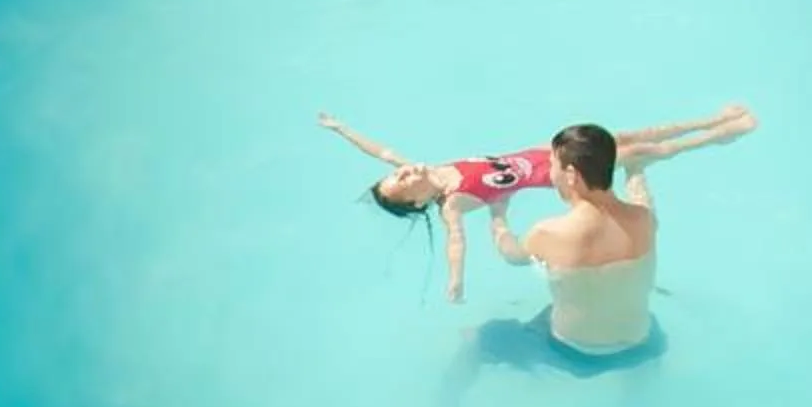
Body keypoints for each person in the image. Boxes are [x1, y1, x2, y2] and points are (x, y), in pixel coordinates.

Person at [319, 104, 753, 304]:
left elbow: (379, 151)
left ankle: (712, 118)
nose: (404, 173)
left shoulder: (429, 169)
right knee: (642, 152)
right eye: (403, 184)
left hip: (545, 151)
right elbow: (456, 242)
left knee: (628, 137)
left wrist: (341, 129)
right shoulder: (451, 202)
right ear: (418, 202)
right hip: (558, 171)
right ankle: (717, 136)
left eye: (397, 174)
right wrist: (456, 281)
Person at [492, 122, 668, 357]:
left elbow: (511, 254)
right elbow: (641, 199)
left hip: (574, 347)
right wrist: (635, 171)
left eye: (552, 165)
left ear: (571, 175)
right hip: (638, 337)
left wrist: (498, 217)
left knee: (485, 336)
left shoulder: (548, 234)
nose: (550, 174)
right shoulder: (644, 220)